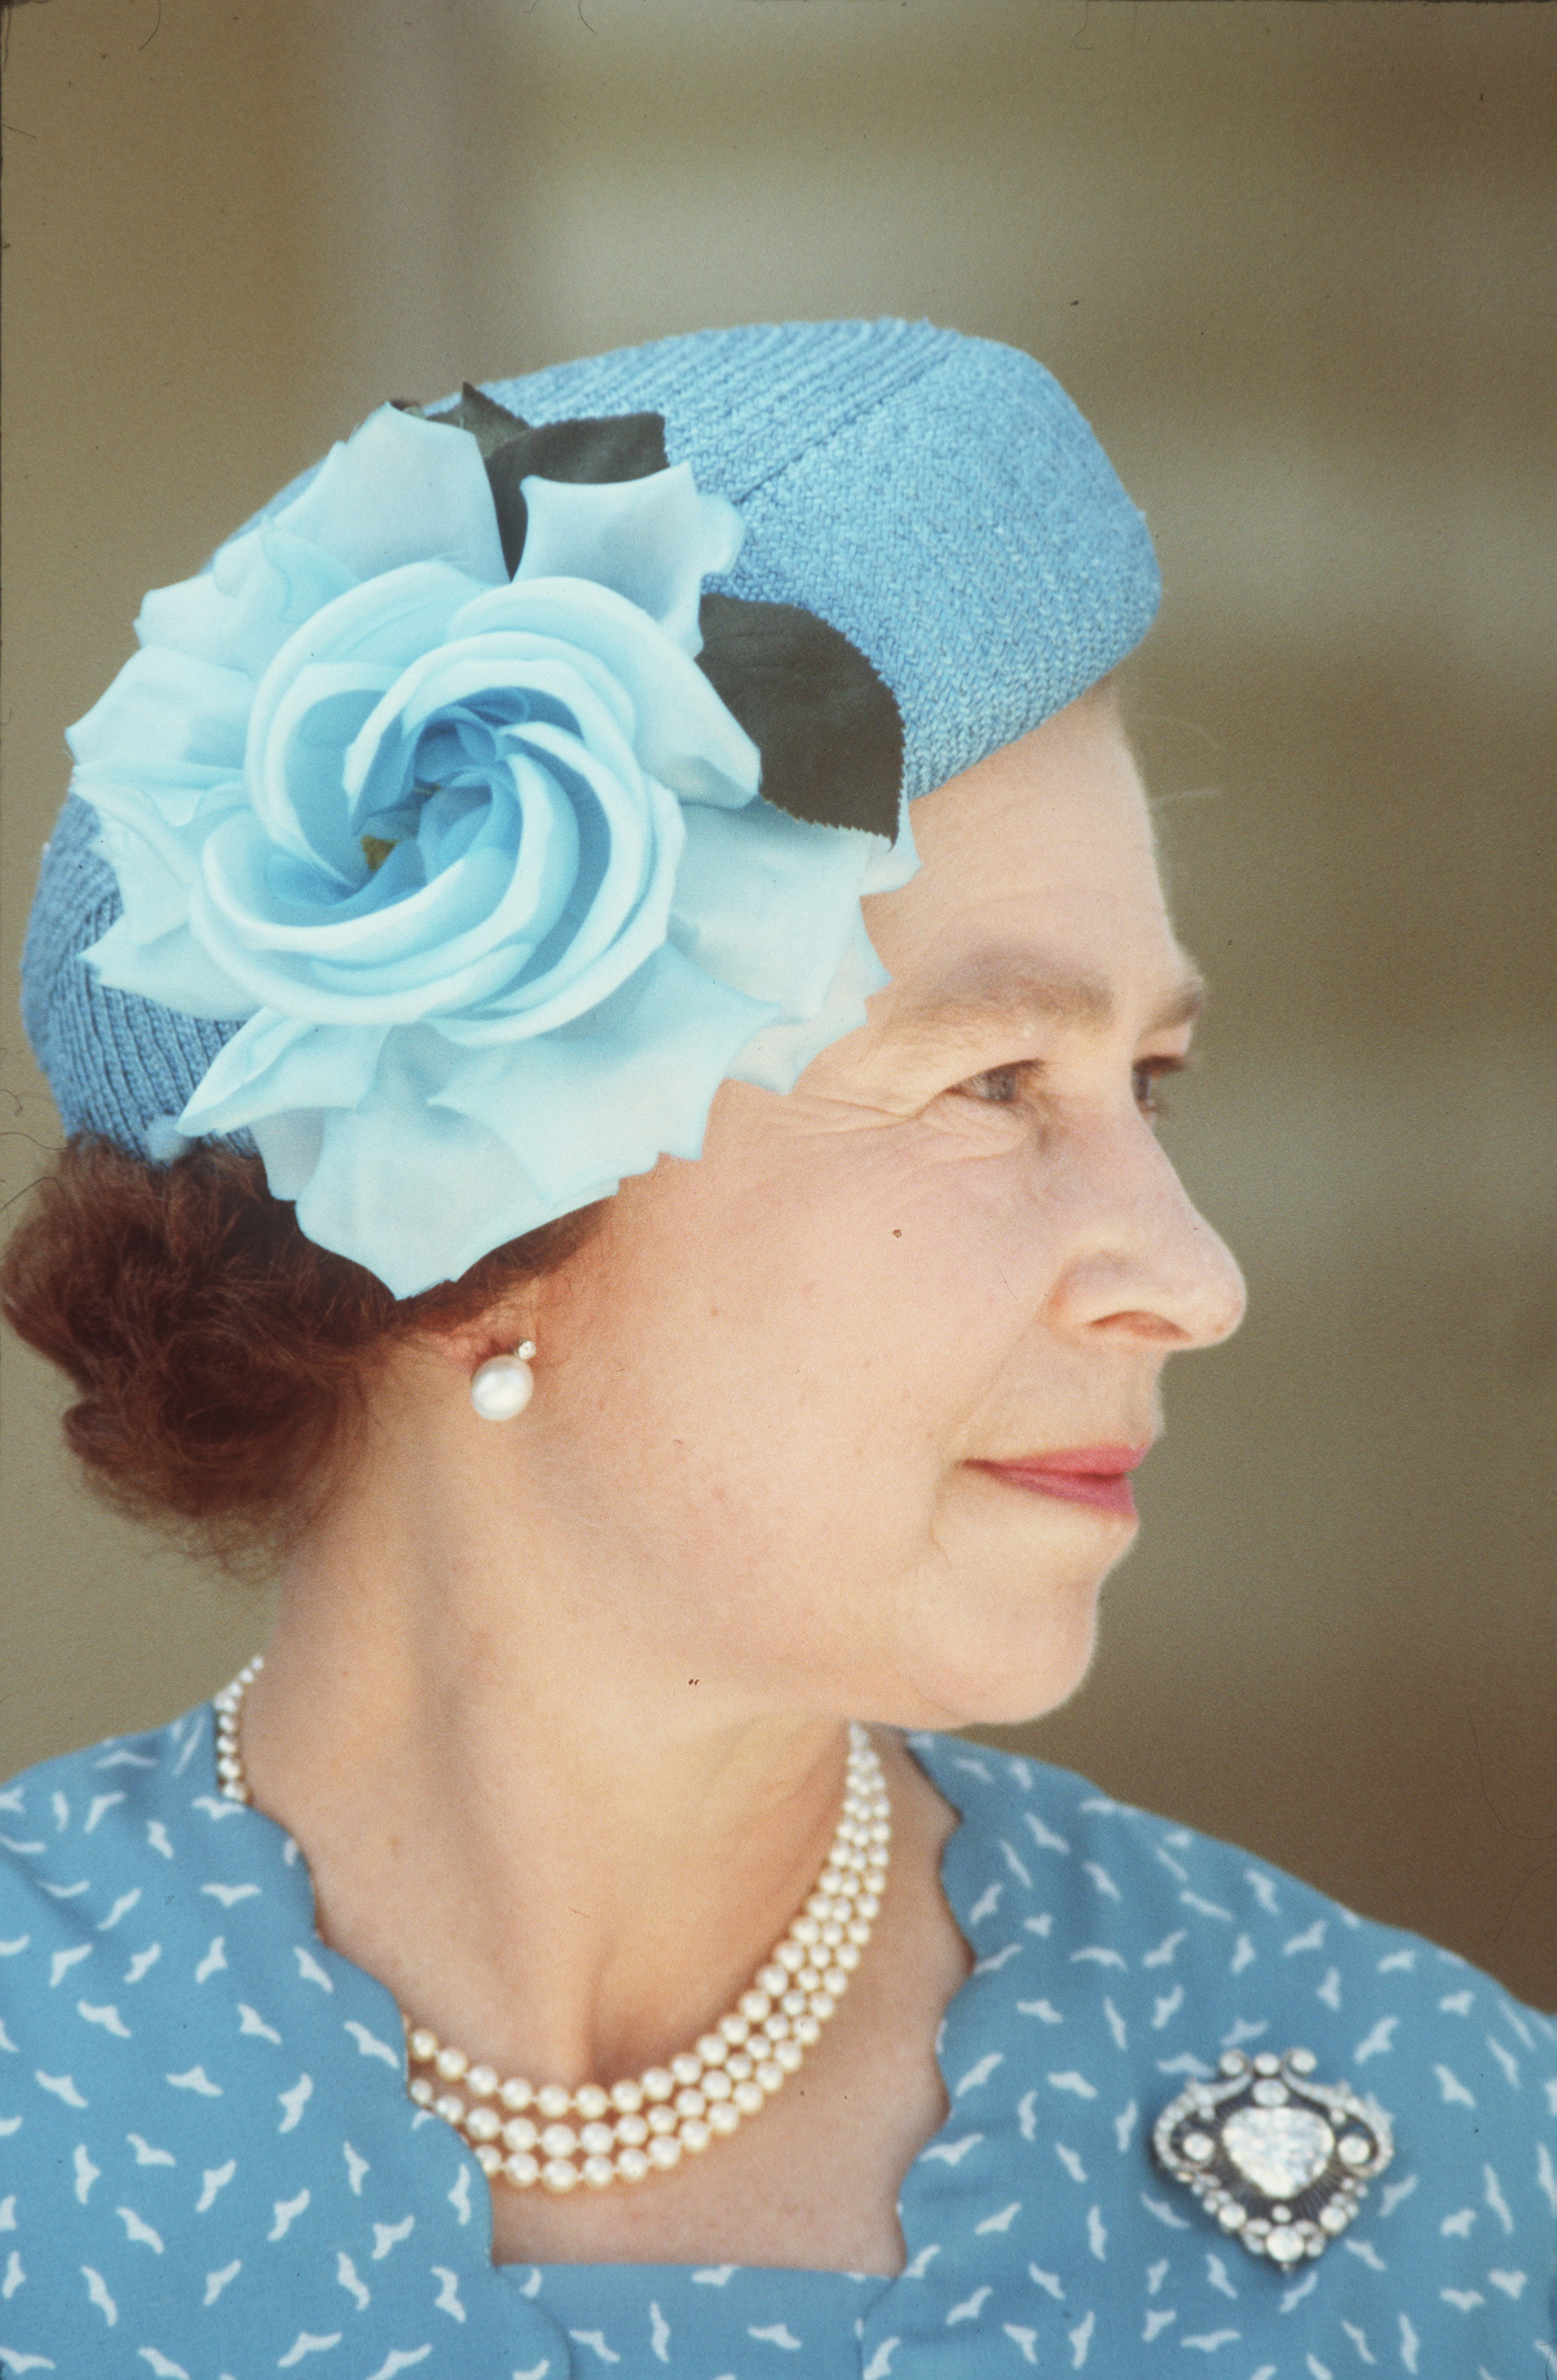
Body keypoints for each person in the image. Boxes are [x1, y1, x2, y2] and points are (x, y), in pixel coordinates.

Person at [1, 318, 1551, 2378]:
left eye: (1146, 1078)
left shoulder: (1435, 2163)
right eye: (994, 1078)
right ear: (478, 1225)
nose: (1190, 1277)